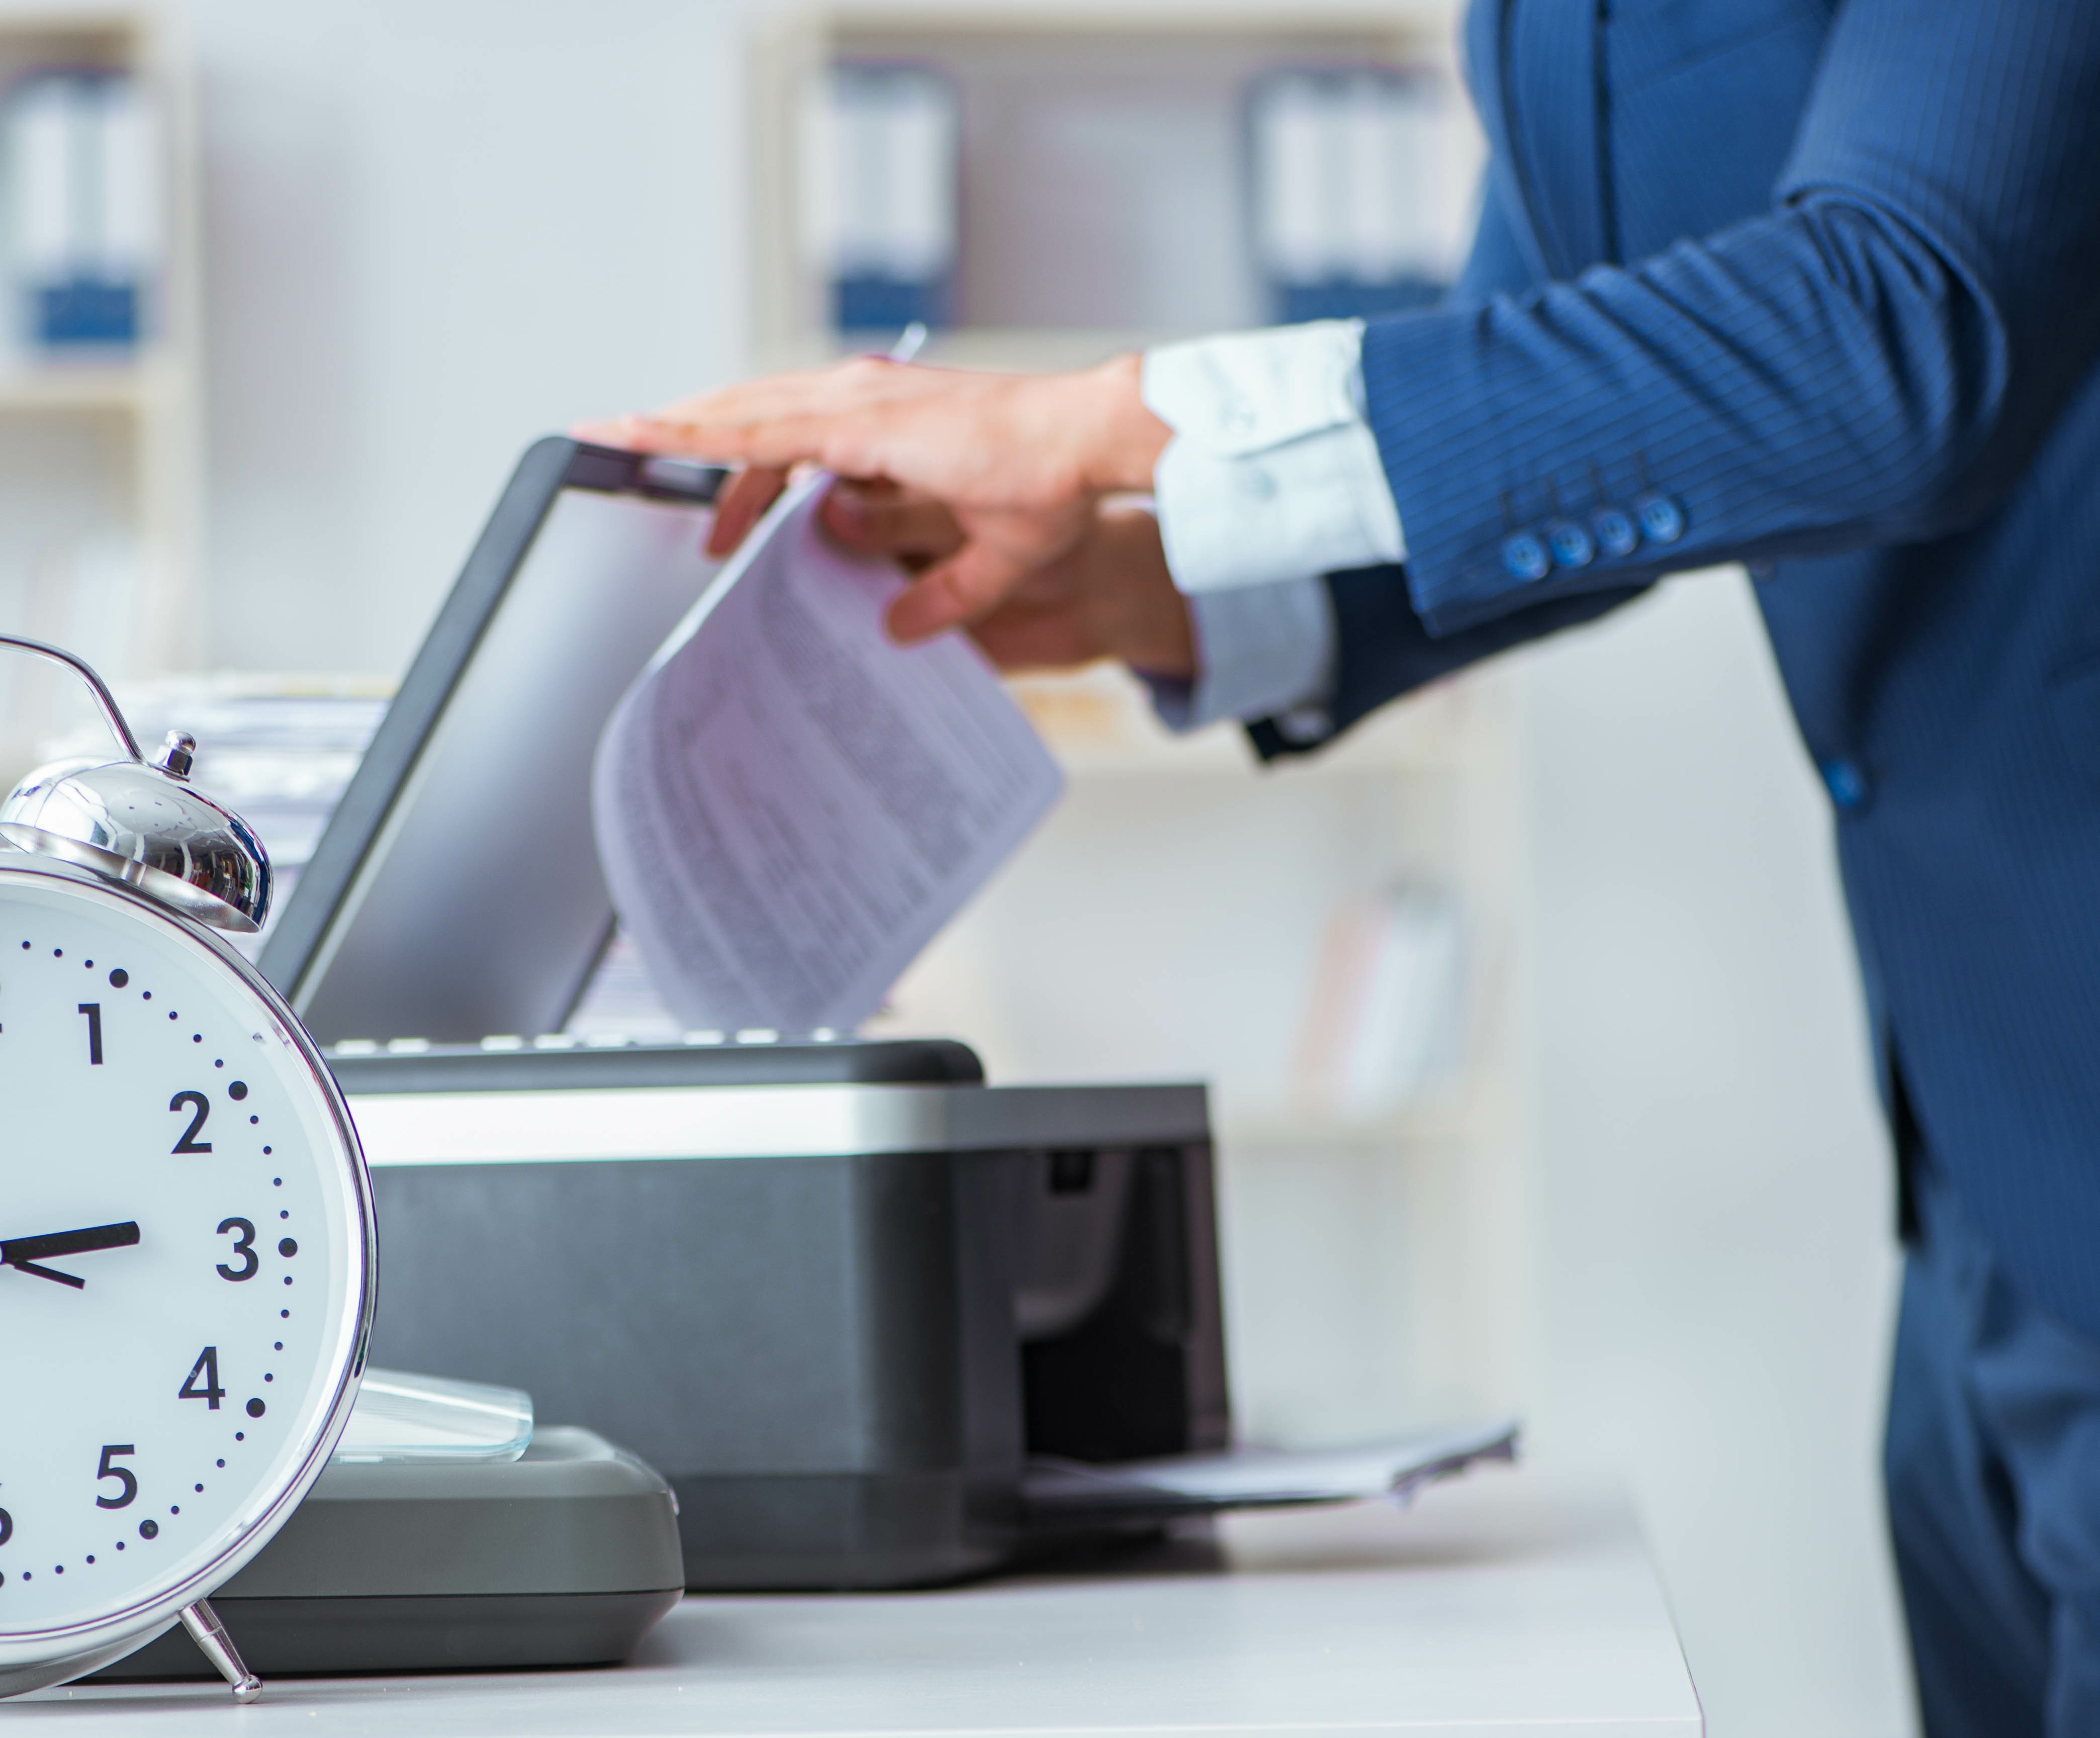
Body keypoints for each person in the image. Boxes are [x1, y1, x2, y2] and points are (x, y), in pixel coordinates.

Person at [580, 2, 2100, 1731]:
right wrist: (1135, 590)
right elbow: (1559, 378)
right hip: (1983, 1129)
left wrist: (1109, 416)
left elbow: (1886, 332)